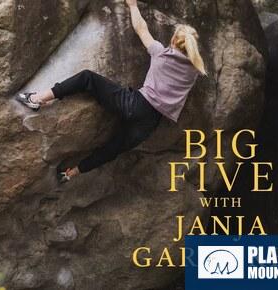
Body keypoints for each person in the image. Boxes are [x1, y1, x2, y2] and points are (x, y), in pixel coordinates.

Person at [16, 0, 207, 183]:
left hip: (134, 105)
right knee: (112, 149)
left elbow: (141, 28)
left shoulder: (161, 53)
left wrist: (132, 5)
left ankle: (38, 98)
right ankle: (72, 173)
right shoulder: (194, 73)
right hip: (150, 123)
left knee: (87, 78)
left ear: (173, 40)